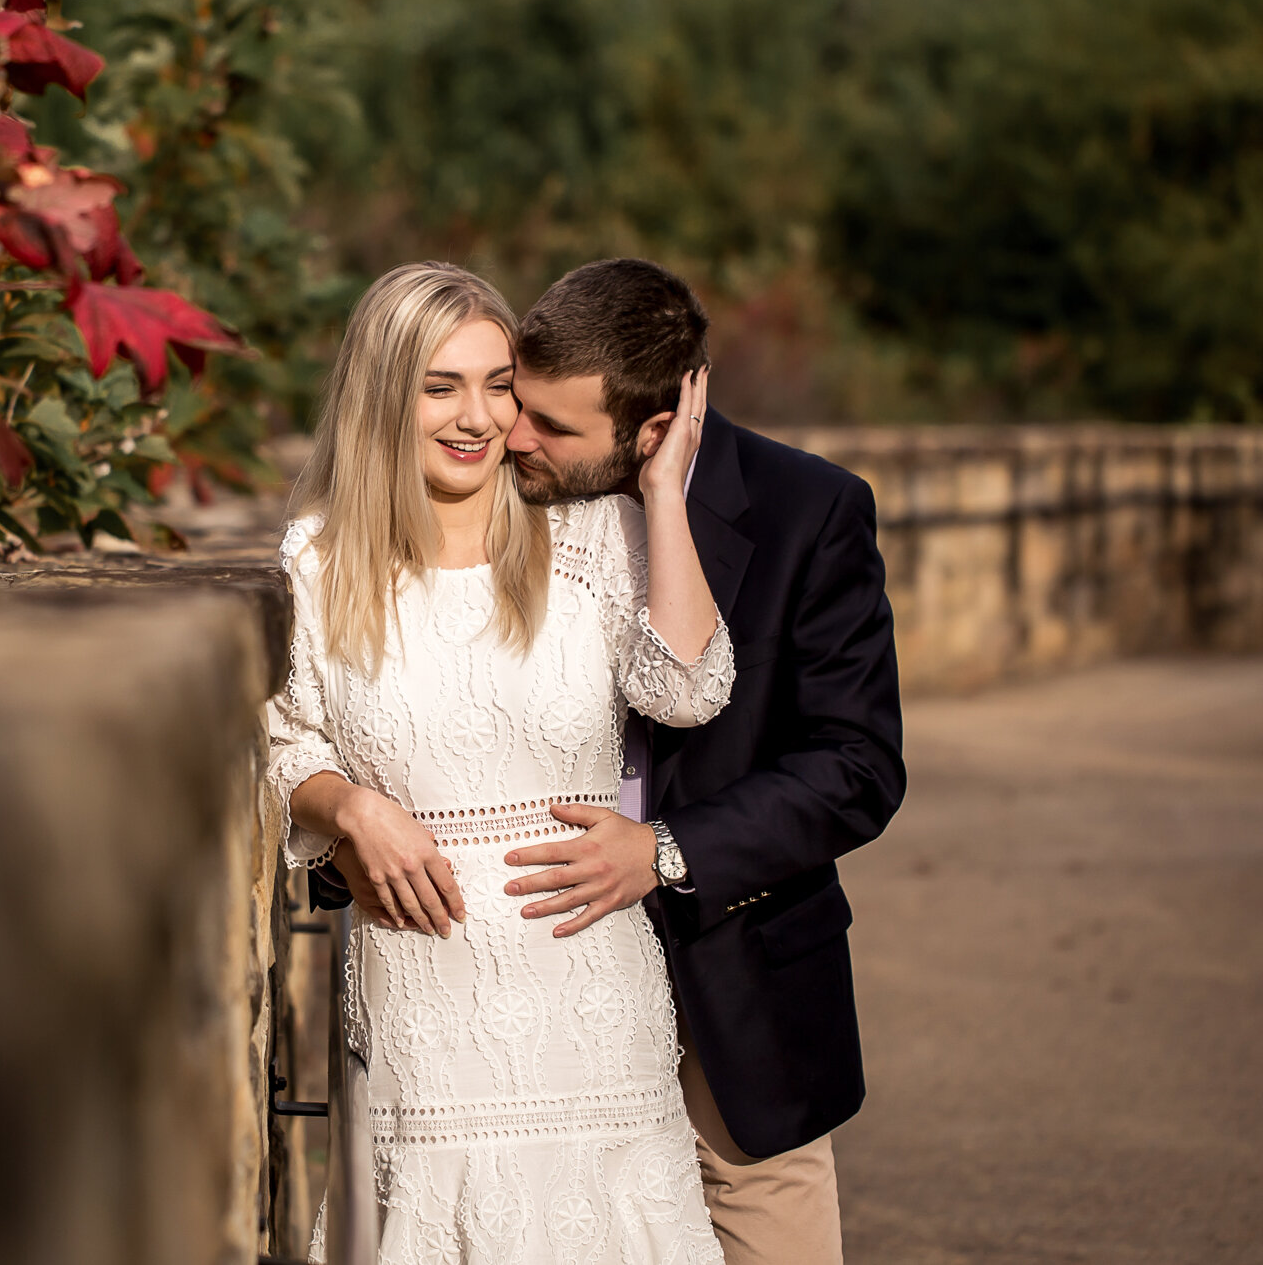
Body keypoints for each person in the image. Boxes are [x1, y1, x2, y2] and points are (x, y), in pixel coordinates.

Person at [269, 260, 736, 1264]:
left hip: (592, 1000)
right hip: (421, 1004)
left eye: (497, 386)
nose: (476, 417)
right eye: (441, 386)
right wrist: (349, 806)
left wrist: (659, 494)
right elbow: (276, 743)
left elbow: (689, 687)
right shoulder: (317, 562)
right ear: (383, 394)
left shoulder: (588, 537)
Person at [495, 258, 904, 1265]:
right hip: (536, 984)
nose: (514, 437)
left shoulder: (806, 512)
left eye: (551, 425)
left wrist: (666, 849)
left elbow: (854, 764)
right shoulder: (493, 498)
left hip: (736, 975)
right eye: (519, 404)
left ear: (648, 431)